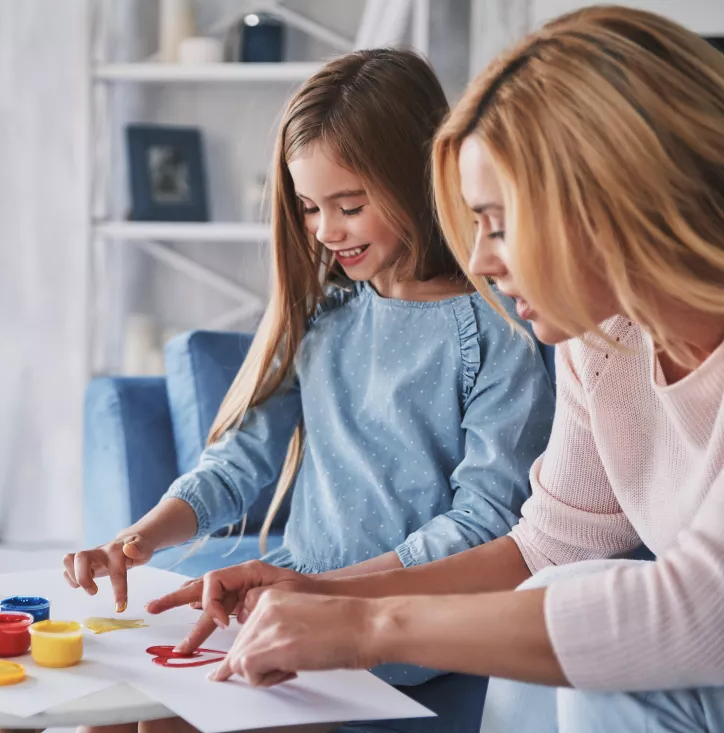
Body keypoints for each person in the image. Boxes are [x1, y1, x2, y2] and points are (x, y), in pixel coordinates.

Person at [151, 7, 724, 732]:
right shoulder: (599, 343)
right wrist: (324, 592)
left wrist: (371, 627)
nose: (481, 258)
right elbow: (539, 545)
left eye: (501, 222)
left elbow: (699, 612)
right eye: (472, 223)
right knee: (563, 577)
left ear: (610, 199)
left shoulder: (503, 332)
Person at [66, 48, 555, 733]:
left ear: (417, 179)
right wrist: (138, 538)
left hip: (404, 620)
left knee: (170, 723)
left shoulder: (496, 330)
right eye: (308, 207)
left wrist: (337, 597)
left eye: (349, 205)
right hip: (291, 591)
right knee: (114, 716)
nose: (326, 231)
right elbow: (238, 463)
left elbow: (482, 525)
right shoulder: (324, 314)